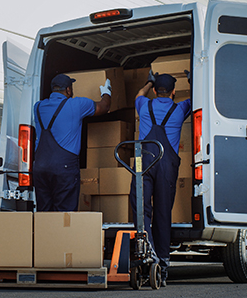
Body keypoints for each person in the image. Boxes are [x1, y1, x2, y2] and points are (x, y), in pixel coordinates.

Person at [131, 70, 191, 286]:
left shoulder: (144, 104)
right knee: (163, 213)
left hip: (144, 162)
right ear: (173, 92)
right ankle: (162, 263)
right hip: (167, 165)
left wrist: (148, 80)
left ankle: (147, 254)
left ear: (155, 91)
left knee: (141, 209)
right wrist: (193, 79)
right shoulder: (180, 108)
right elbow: (198, 98)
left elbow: (139, 93)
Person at [33, 73, 112, 212]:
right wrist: (106, 92)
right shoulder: (77, 105)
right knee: (65, 214)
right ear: (68, 90)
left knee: (44, 213)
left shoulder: (38, 107)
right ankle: (62, 234)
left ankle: (45, 234)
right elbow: (104, 107)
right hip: (64, 168)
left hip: (40, 167)